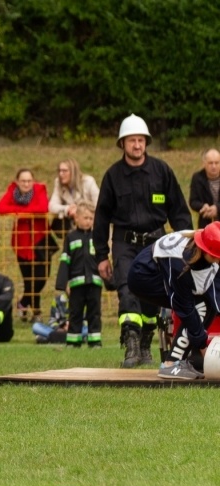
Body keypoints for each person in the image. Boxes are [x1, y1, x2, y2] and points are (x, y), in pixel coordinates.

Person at [94, 114, 192, 368]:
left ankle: (147, 338)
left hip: (156, 243)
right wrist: (101, 255)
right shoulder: (113, 176)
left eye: (141, 140)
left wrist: (188, 246)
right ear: (122, 144)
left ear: (146, 142)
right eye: (131, 140)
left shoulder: (161, 171)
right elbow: (101, 218)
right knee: (127, 289)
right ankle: (131, 341)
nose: (137, 145)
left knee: (152, 293)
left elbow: (179, 211)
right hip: (124, 242)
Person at [128, 224, 220, 379]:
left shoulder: (207, 250)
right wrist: (204, 345)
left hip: (162, 272)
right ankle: (171, 364)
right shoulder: (181, 263)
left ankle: (195, 359)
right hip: (144, 277)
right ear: (205, 250)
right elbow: (184, 307)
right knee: (196, 306)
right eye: (216, 256)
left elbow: (216, 295)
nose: (218, 260)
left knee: (209, 303)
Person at [0, 168, 56, 322]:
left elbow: (43, 208)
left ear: (33, 181)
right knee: (28, 279)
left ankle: (22, 303)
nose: (26, 184)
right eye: (23, 181)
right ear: (17, 182)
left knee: (41, 278)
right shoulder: (12, 191)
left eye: (29, 180)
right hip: (21, 243)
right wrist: (25, 211)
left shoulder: (40, 190)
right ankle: (36, 313)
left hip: (41, 241)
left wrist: (18, 212)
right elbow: (0, 208)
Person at [54, 203, 103, 348]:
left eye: (91, 218)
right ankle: (73, 341)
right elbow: (65, 261)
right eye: (86, 218)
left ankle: (95, 341)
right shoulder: (70, 237)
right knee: (75, 313)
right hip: (76, 284)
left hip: (94, 282)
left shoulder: (98, 236)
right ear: (77, 219)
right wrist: (63, 283)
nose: (89, 221)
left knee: (94, 313)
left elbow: (103, 259)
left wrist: (109, 279)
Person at [48, 159, 100, 237]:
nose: (61, 174)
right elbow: (52, 206)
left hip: (92, 224)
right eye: (59, 170)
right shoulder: (58, 182)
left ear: (73, 172)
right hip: (74, 226)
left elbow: (100, 204)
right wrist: (68, 209)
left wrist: (80, 210)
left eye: (64, 171)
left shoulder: (88, 181)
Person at [188, 148, 220, 229]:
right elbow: (193, 201)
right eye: (210, 163)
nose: (214, 166)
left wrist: (217, 209)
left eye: (217, 163)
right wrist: (202, 206)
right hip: (205, 224)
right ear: (204, 163)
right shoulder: (197, 178)